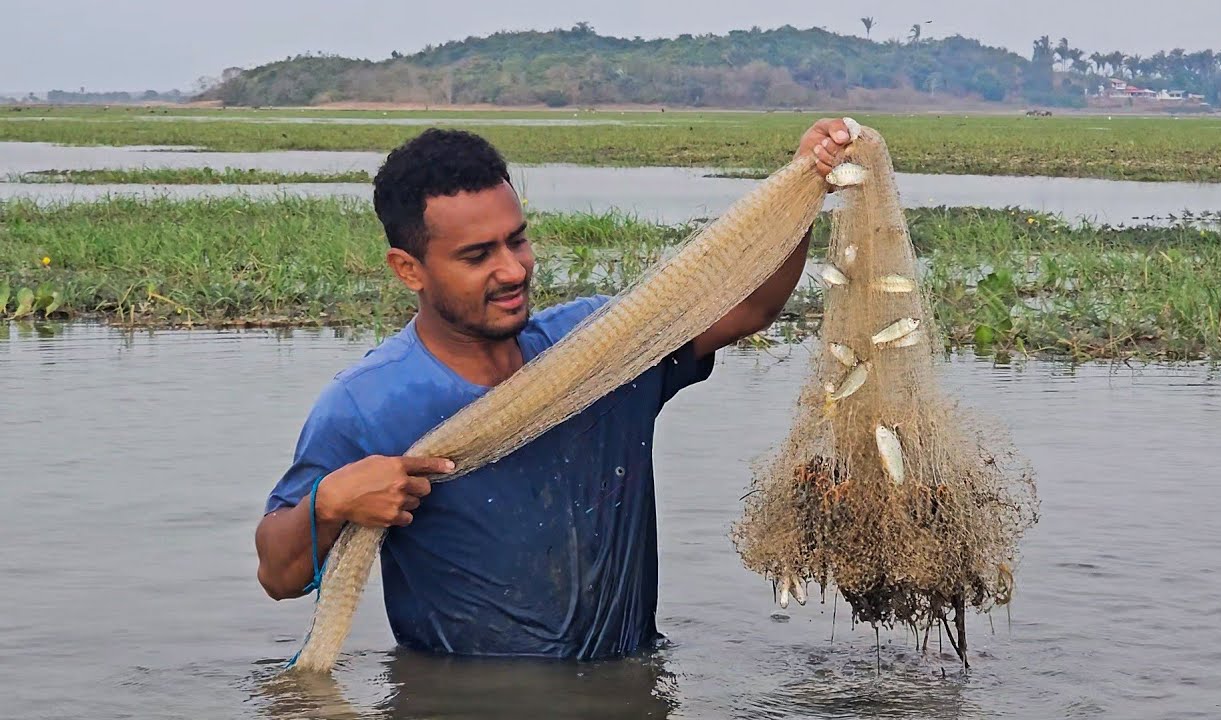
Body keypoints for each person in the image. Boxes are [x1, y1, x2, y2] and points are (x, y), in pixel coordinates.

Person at [255, 119, 855, 660]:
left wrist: (803, 186)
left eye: (517, 239)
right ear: (408, 268)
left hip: (631, 680)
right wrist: (329, 503)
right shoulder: (368, 404)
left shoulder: (601, 348)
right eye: (477, 255)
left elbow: (749, 305)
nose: (513, 269)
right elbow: (279, 576)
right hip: (468, 701)